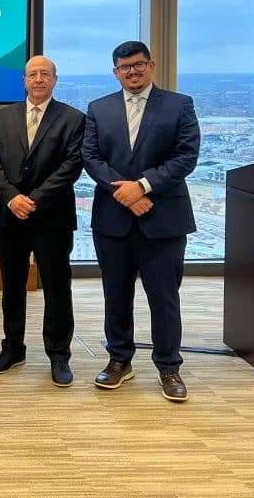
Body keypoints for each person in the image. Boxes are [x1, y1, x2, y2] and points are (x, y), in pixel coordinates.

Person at [82, 40, 200, 402]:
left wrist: (143, 186)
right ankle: (119, 360)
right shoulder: (99, 108)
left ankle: (169, 367)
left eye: (138, 65)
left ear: (151, 65)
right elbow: (91, 157)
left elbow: (186, 156)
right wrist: (125, 192)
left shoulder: (179, 105)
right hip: (113, 219)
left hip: (163, 219)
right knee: (116, 295)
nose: (132, 72)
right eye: (125, 67)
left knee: (164, 298)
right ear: (115, 72)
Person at [0, 55, 84, 386]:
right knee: (12, 286)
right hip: (10, 214)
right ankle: (13, 348)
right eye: (33, 74)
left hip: (52, 217)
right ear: (24, 81)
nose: (39, 79)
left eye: (45, 74)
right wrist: (12, 197)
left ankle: (58, 354)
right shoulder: (2, 118)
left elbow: (71, 166)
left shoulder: (73, 119)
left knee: (57, 287)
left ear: (55, 80)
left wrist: (35, 200)